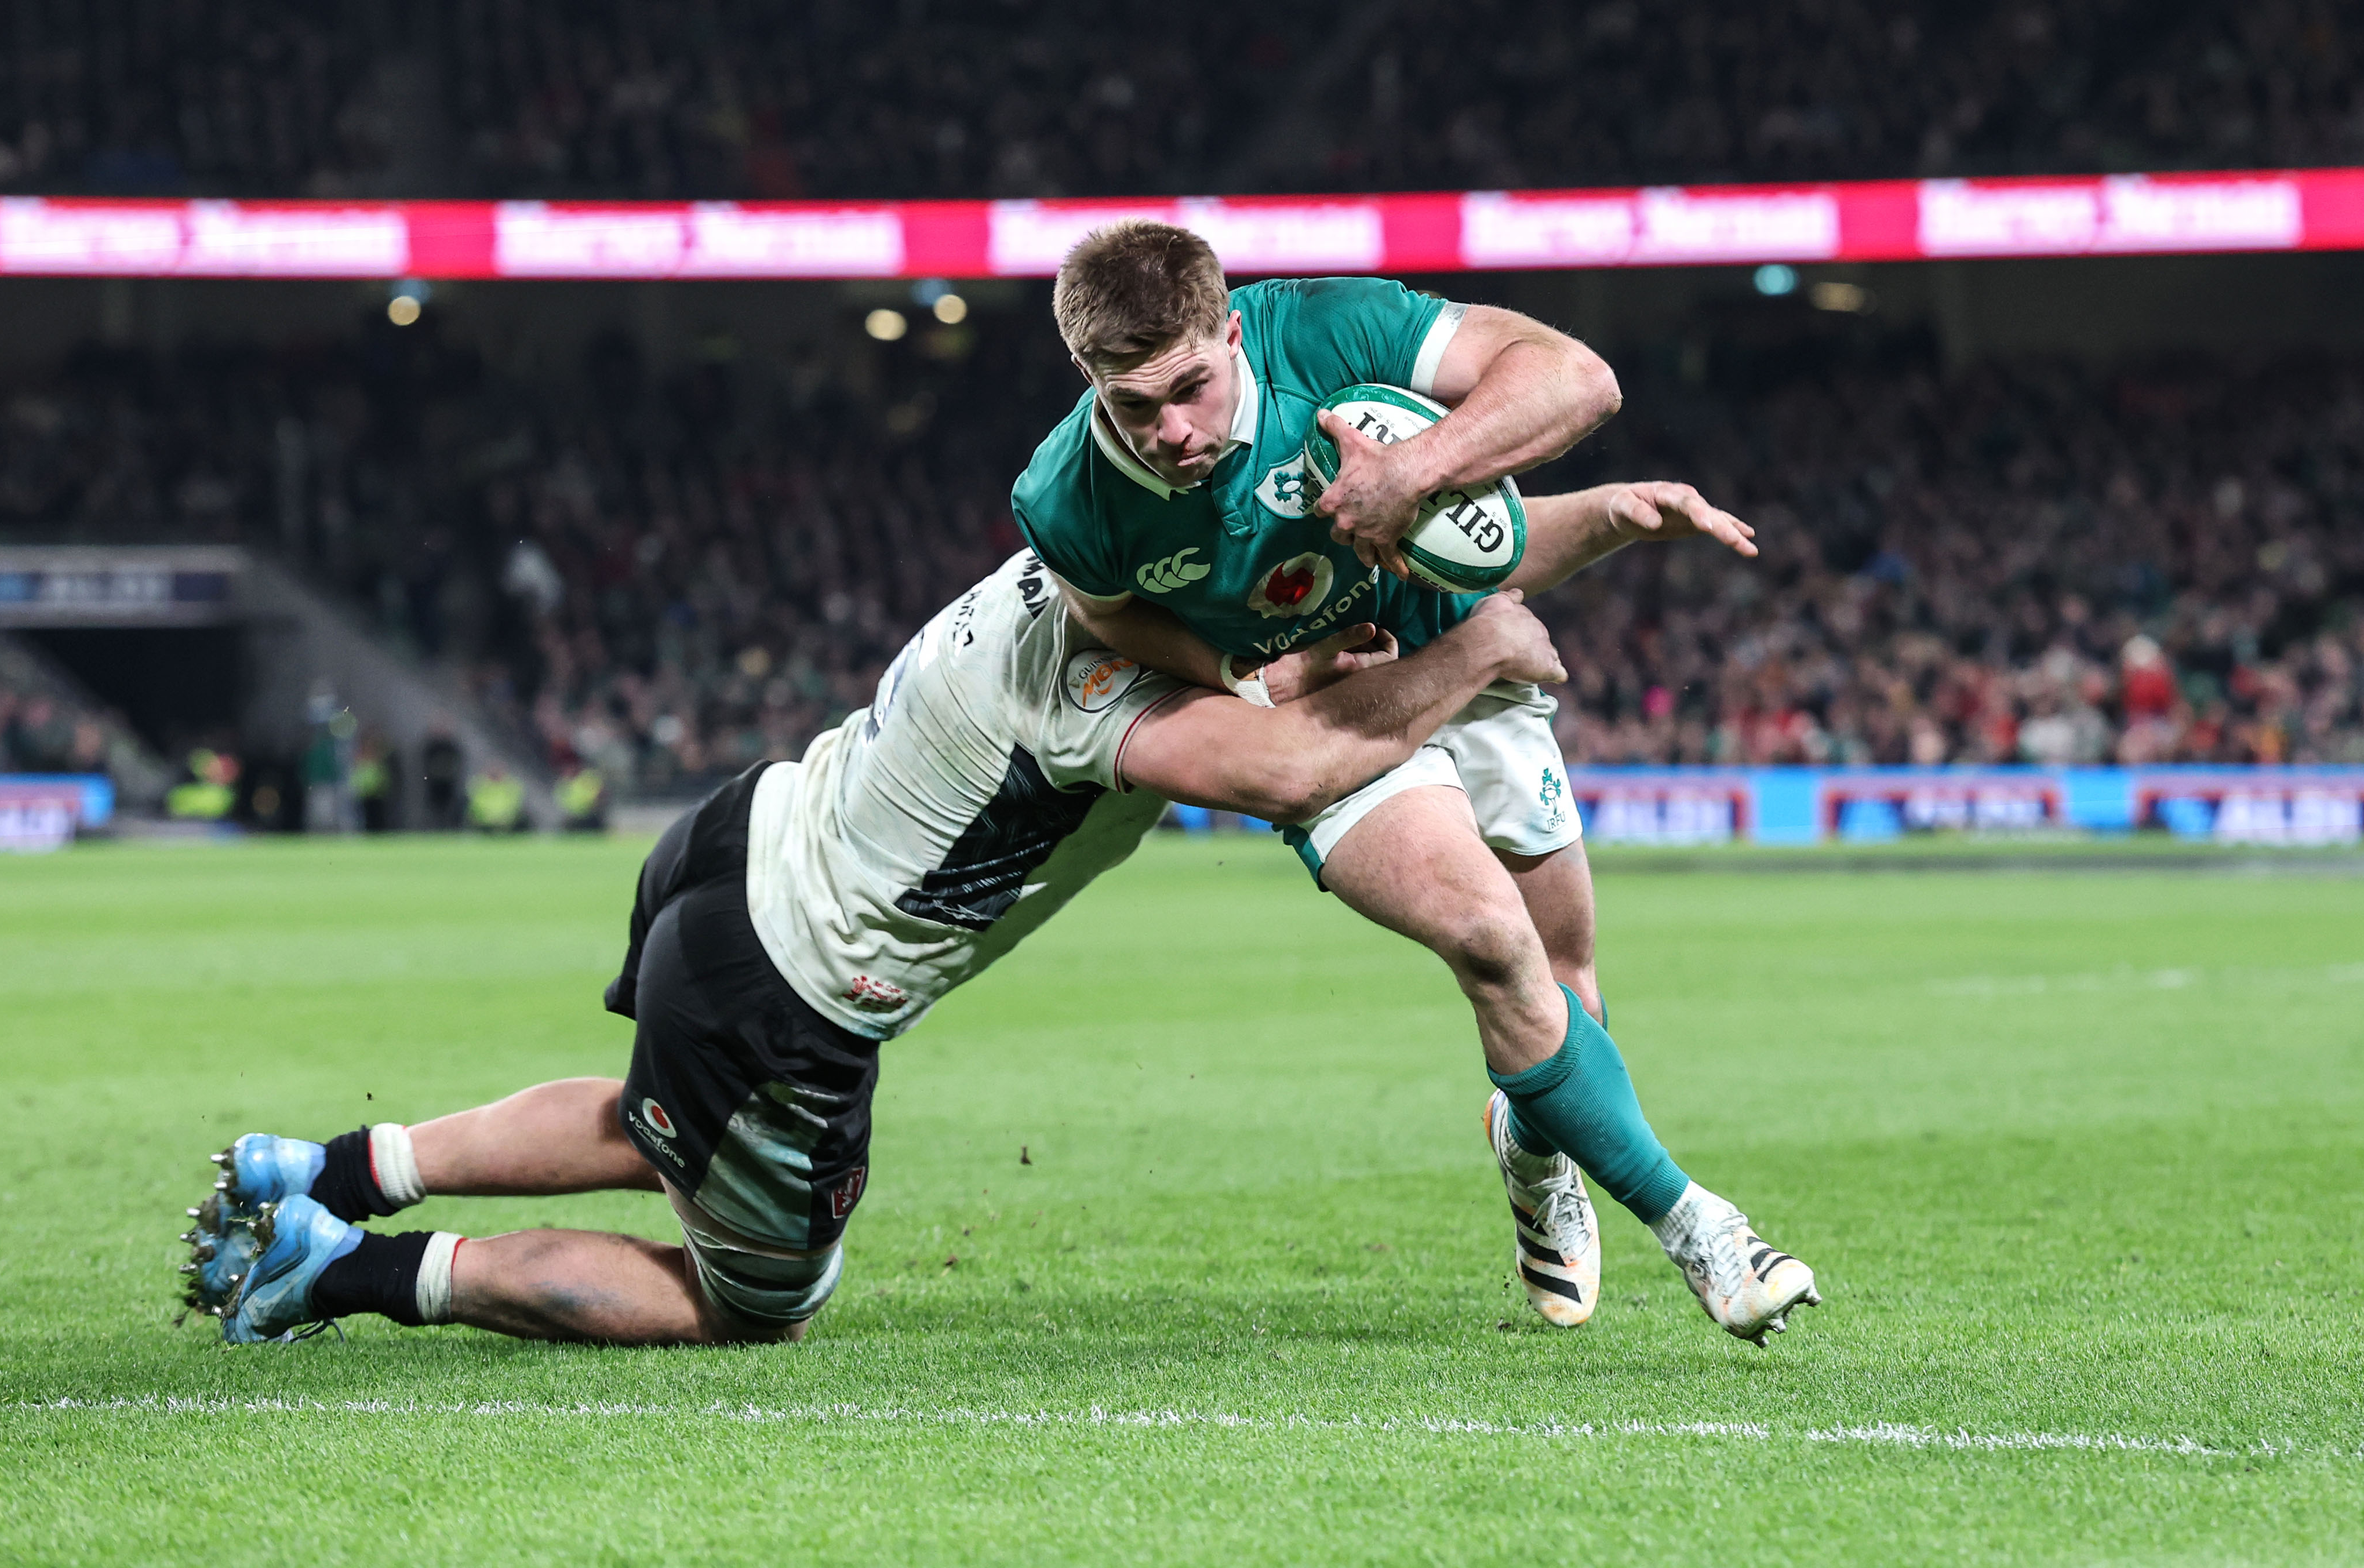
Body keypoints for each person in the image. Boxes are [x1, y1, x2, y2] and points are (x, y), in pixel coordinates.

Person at [180, 552, 1567, 1345]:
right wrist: (1472, 654)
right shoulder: (1114, 693)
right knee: (746, 1303)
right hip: (789, 983)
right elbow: (1286, 764)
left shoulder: (1065, 564)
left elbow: (1254, 678)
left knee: (663, 1121)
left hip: (739, 839)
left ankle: (330, 1172)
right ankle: (337, 1271)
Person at [1008, 220, 1816, 1343]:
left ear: (1230, 332)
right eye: (1133, 405)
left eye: (1189, 387)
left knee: (1566, 973)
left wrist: (1416, 475)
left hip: (1464, 653)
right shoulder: (1067, 499)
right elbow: (1116, 620)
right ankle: (1705, 1234)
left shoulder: (1331, 333)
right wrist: (1259, 671)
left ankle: (1535, 1163)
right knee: (1490, 939)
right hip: (1335, 713)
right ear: (1088, 379)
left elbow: (1576, 381)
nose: (1172, 431)